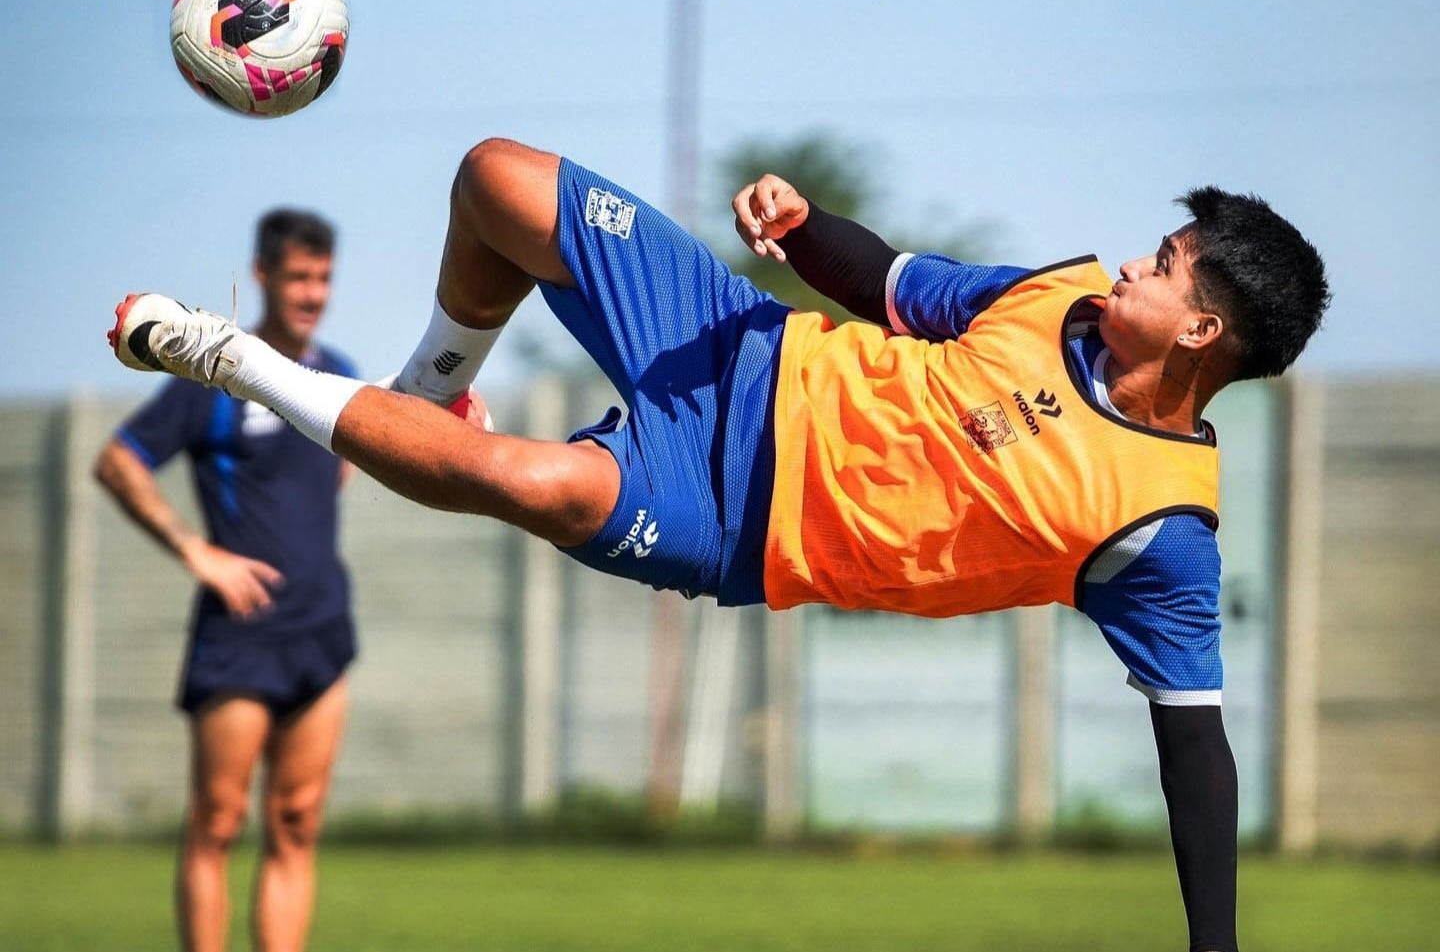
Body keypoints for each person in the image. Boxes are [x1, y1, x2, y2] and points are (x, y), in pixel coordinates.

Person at [109, 138, 1330, 952]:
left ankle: (235, 360)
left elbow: (1197, 752)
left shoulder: (1163, 524)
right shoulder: (1056, 295)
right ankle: (425, 387)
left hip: (733, 516)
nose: (1132, 261)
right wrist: (804, 229)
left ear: (1205, 325)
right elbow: (903, 281)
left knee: (525, 477)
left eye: (1163, 266)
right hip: (738, 338)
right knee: (497, 180)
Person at [96, 209, 358, 952]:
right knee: (217, 818)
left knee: (298, 820)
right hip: (241, 636)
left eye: (324, 278)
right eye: (300, 276)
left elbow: (335, 473)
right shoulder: (215, 373)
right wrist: (194, 550)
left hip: (322, 628)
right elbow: (118, 461)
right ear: (265, 276)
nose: (313, 293)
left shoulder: (332, 372)